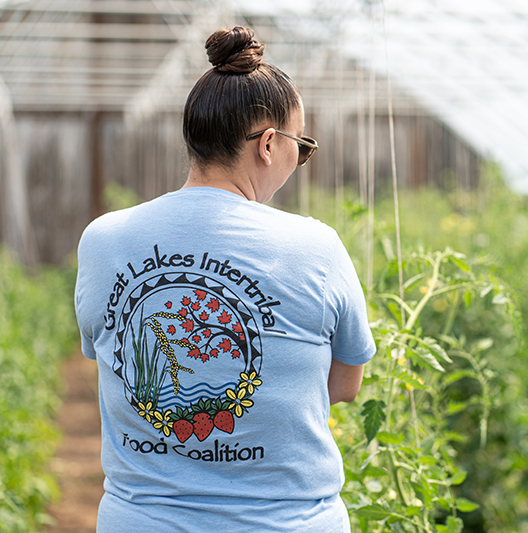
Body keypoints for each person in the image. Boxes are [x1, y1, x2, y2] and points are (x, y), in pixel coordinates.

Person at [74, 26, 376, 532]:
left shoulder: (104, 240)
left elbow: (110, 363)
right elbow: (343, 385)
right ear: (268, 144)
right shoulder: (316, 247)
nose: (298, 163)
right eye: (301, 149)